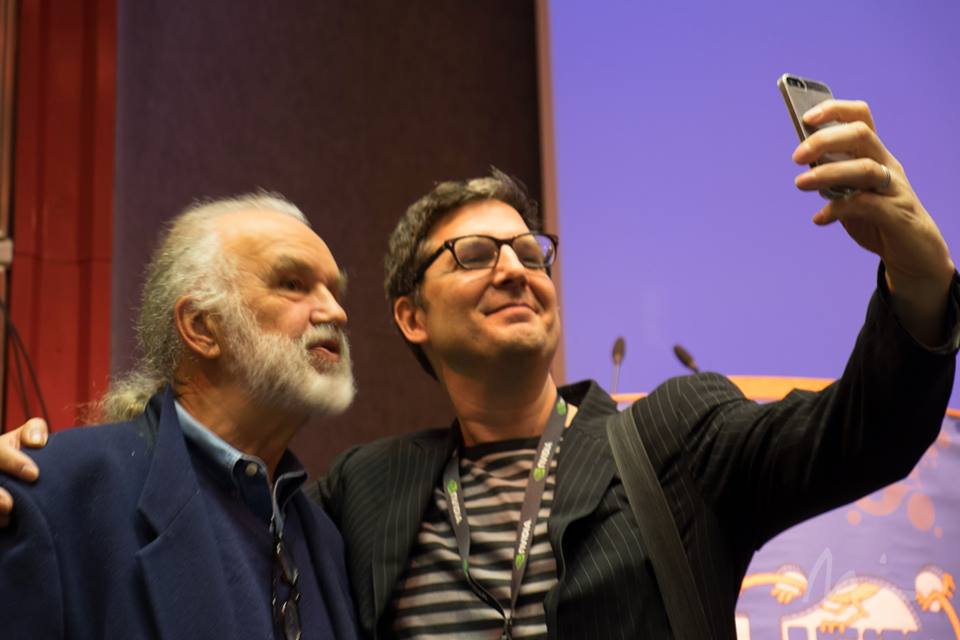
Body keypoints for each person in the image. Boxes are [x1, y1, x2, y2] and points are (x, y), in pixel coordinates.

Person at [2, 100, 959, 639]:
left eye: (530, 252)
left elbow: (863, 434)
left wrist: (917, 282)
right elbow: (202, 499)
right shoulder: (359, 497)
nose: (514, 267)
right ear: (412, 318)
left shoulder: (675, 438)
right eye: (472, 254)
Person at [0, 194, 360, 639]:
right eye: (292, 283)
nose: (336, 312)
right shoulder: (53, 492)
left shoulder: (326, 538)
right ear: (201, 326)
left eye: (334, 291)